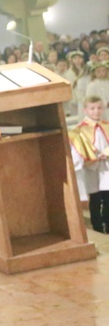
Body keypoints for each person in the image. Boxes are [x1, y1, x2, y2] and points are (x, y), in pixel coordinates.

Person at [69, 96, 109, 232]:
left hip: (106, 167)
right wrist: (92, 157)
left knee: (108, 197)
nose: (96, 111)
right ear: (85, 110)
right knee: (95, 199)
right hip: (91, 167)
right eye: (92, 108)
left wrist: (107, 153)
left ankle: (108, 225)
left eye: (99, 108)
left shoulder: (106, 125)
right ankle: (97, 226)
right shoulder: (79, 130)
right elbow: (78, 148)